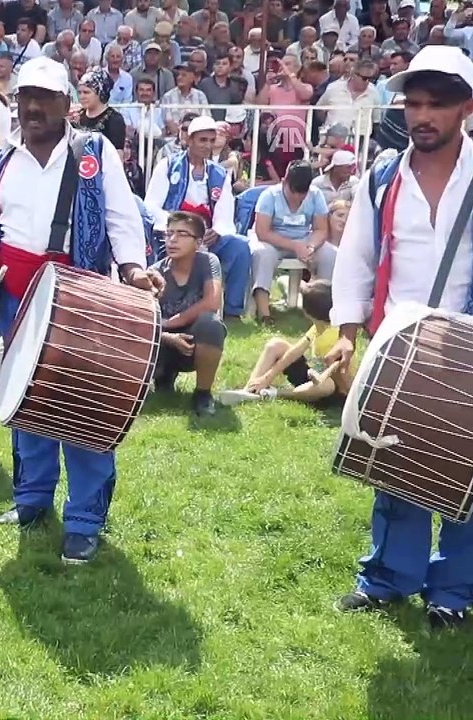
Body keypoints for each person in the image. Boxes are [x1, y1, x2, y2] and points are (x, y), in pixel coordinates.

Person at [0, 56, 161, 564]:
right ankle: (31, 499)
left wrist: (134, 270)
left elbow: (121, 218)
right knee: (27, 402)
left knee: (84, 408)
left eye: (44, 98)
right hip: (15, 296)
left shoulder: (94, 152)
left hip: (81, 299)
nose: (31, 107)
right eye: (25, 97)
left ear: (67, 106)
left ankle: (85, 518)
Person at [326, 46, 473, 629]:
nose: (422, 115)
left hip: (469, 341)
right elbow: (358, 254)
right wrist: (344, 329)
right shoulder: (383, 175)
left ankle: (454, 593)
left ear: (467, 106)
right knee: (396, 465)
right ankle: (387, 578)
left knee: (466, 473)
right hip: (398, 343)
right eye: (414, 103)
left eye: (437, 104)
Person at [144, 114, 252, 318]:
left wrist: (217, 232)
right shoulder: (168, 166)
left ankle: (232, 311)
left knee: (239, 247)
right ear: (189, 139)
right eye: (202, 140)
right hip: (172, 233)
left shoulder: (220, 174)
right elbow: (151, 206)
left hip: (206, 235)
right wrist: (180, 228)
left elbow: (224, 216)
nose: (208, 146)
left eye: (212, 141)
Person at [220, 279, 350, 406]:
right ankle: (251, 390)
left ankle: (276, 393)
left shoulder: (335, 333)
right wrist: (267, 377)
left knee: (326, 385)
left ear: (308, 311)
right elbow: (294, 352)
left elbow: (337, 369)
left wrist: (320, 378)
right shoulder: (317, 327)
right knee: (276, 344)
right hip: (313, 375)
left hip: (333, 389)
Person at [149, 211, 227, 416]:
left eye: (182, 234)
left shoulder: (208, 262)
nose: (173, 240)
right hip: (162, 343)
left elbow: (212, 302)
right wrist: (168, 336)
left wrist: (173, 322)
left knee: (211, 324)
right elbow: (141, 322)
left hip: (194, 340)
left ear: (199, 242)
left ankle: (203, 394)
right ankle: (164, 375)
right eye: (169, 233)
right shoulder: (155, 272)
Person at [249, 161, 336, 325]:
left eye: (302, 194)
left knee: (330, 254)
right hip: (272, 239)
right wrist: (295, 246)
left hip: (304, 238)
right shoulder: (269, 196)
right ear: (284, 182)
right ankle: (264, 313)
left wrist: (310, 247)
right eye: (293, 192)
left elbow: (321, 229)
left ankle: (323, 309)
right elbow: (263, 232)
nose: (297, 197)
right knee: (263, 253)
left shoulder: (316, 195)